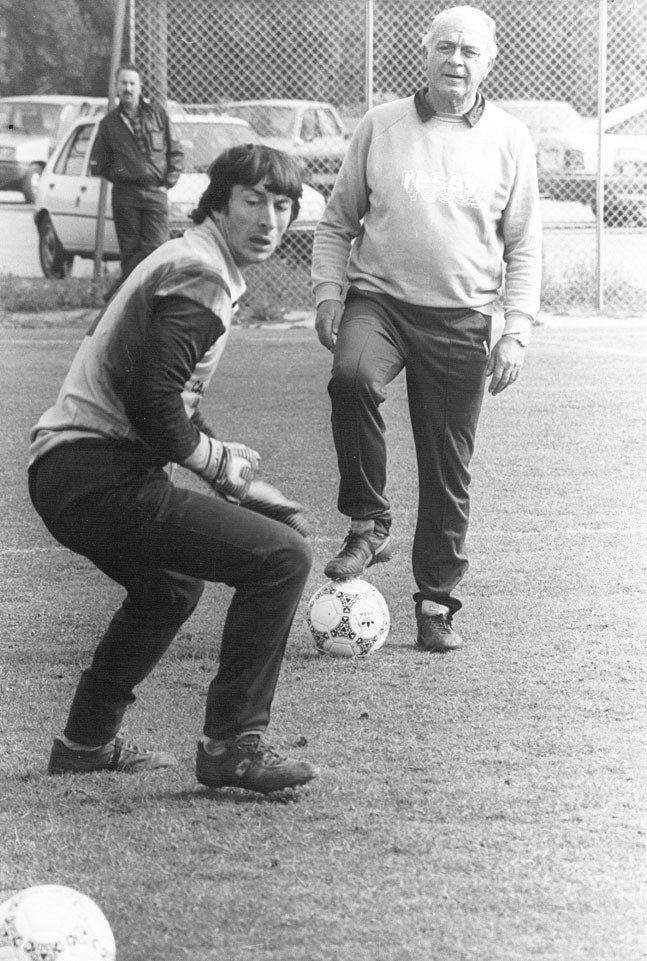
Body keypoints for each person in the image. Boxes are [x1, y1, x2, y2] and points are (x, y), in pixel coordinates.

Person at [28, 143, 318, 796]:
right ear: (217, 203)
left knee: (170, 587)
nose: (269, 219)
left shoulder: (183, 259)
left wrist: (223, 465)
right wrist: (223, 468)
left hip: (67, 472)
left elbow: (160, 397)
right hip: (97, 474)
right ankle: (232, 747)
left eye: (282, 205)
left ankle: (84, 743)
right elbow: (151, 404)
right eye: (252, 200)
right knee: (283, 557)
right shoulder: (202, 273)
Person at [311, 5, 542, 653]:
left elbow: (523, 246)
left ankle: (435, 603)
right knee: (351, 375)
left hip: (461, 318)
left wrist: (515, 330)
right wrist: (329, 292)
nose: (456, 60)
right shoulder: (380, 126)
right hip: (378, 303)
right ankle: (368, 519)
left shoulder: (508, 138)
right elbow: (336, 223)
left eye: (470, 51)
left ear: (488, 61)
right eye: (445, 47)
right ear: (425, 53)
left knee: (448, 468)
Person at [93, 62, 184, 289]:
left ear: (140, 87)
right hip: (126, 196)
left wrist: (168, 183)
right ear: (116, 87)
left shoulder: (157, 115)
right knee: (131, 253)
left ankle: (147, 295)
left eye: (132, 83)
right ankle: (132, 301)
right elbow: (101, 165)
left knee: (158, 249)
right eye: (123, 83)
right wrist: (125, 173)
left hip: (156, 193)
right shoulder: (108, 124)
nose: (128, 88)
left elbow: (175, 151)